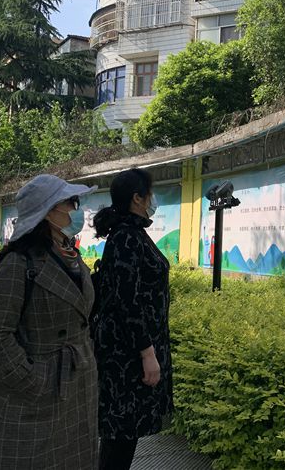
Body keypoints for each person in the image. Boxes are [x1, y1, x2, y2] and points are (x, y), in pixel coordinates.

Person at [0, 174, 99, 469]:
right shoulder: (19, 263)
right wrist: (32, 379)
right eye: (71, 203)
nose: (77, 210)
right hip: (34, 394)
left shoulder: (70, 254)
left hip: (77, 385)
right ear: (49, 212)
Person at [92, 169, 172, 470]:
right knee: (120, 435)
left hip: (133, 351)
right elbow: (127, 301)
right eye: (149, 193)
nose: (152, 199)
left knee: (123, 436)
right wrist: (147, 353)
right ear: (137, 198)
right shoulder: (126, 237)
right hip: (127, 357)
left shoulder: (131, 233)